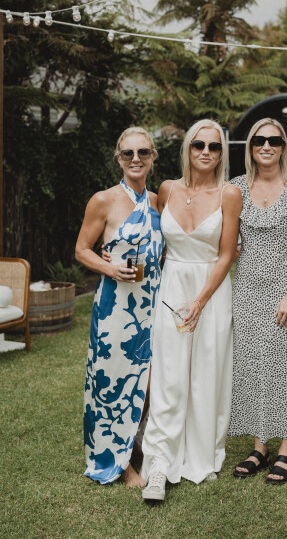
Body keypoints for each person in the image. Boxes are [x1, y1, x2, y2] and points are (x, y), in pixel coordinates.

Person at [141, 119, 242, 501]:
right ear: (187, 148)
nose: (206, 152)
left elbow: (227, 255)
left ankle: (201, 457)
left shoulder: (229, 194)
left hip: (210, 291)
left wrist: (199, 302)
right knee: (168, 373)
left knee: (206, 374)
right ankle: (160, 463)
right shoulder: (167, 189)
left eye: (214, 147)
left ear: (221, 153)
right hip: (172, 287)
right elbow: (148, 237)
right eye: (199, 144)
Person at [229, 117, 287, 485]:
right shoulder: (236, 187)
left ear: (283, 147)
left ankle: (286, 449)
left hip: (286, 292)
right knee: (251, 367)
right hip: (246, 291)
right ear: (250, 147)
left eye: (274, 140)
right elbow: (224, 238)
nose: (266, 146)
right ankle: (259, 446)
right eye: (259, 140)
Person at [75, 127, 164, 486]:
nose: (136, 159)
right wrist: (109, 267)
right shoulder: (104, 200)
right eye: (128, 153)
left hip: (152, 303)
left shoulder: (157, 201)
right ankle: (119, 463)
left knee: (149, 382)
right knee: (113, 379)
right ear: (119, 159)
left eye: (143, 152)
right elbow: (81, 249)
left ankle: (134, 443)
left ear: (153, 157)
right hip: (116, 306)